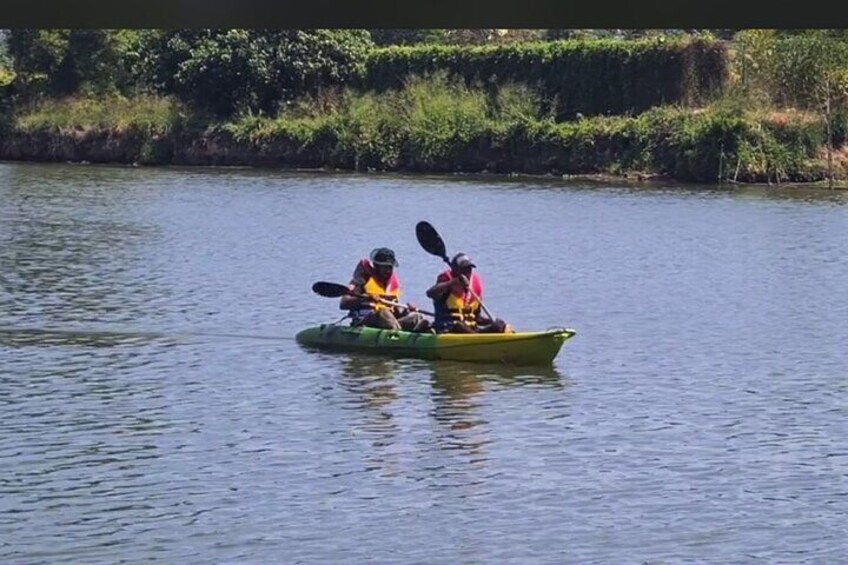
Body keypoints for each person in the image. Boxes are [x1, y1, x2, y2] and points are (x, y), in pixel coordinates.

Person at [339, 247, 431, 332]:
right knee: (383, 312)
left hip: (389, 323)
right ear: (376, 266)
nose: (388, 271)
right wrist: (365, 297)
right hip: (366, 322)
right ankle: (401, 334)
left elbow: (395, 308)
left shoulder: (390, 284)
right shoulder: (361, 280)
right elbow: (343, 303)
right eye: (384, 267)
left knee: (415, 316)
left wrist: (407, 310)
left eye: (390, 267)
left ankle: (419, 330)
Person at [426, 252, 513, 334]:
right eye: (464, 270)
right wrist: (452, 283)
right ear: (456, 270)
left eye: (469, 269)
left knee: (499, 325)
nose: (467, 272)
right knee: (459, 325)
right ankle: (478, 341)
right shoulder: (446, 280)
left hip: (472, 330)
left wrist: (491, 321)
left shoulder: (475, 284)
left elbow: (477, 318)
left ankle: (481, 339)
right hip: (448, 329)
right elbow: (430, 293)